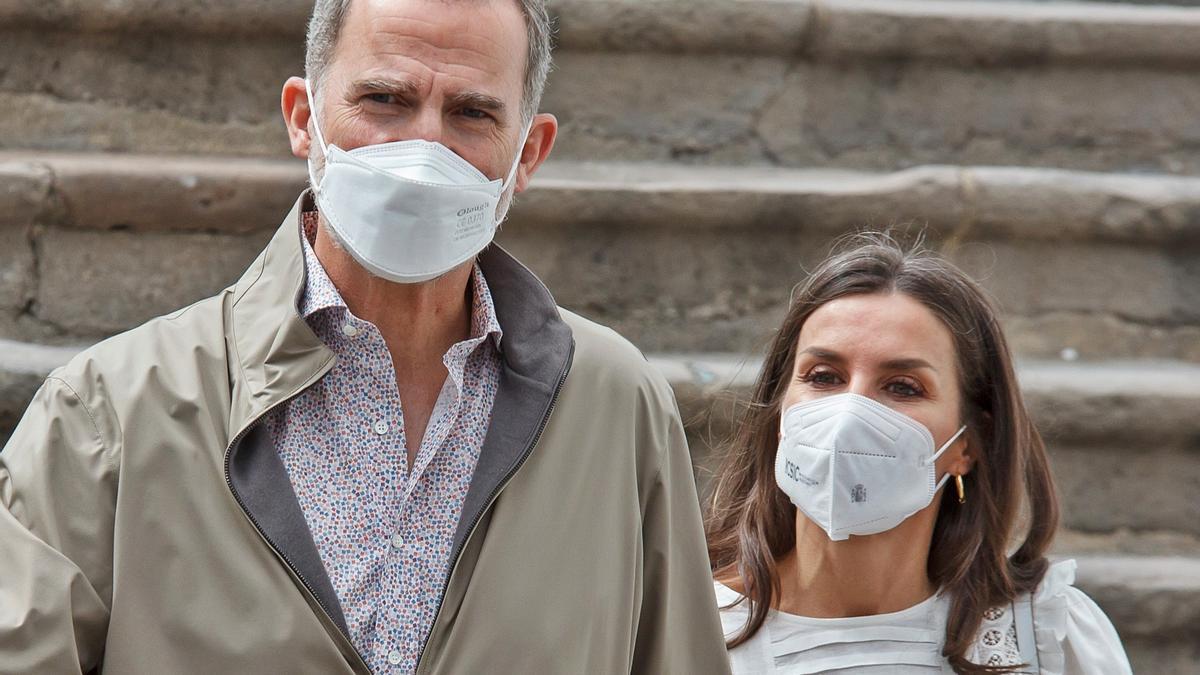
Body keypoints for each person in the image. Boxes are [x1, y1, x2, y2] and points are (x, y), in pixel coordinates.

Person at [0, 0, 729, 672]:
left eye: (472, 113)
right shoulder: (110, 412)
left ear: (528, 156)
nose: (421, 150)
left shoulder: (616, 406)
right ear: (302, 117)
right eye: (384, 100)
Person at [705, 234, 1131, 674]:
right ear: (778, 410)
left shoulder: (1045, 639)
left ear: (967, 444)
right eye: (824, 377)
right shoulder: (689, 634)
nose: (851, 414)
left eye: (902, 387)